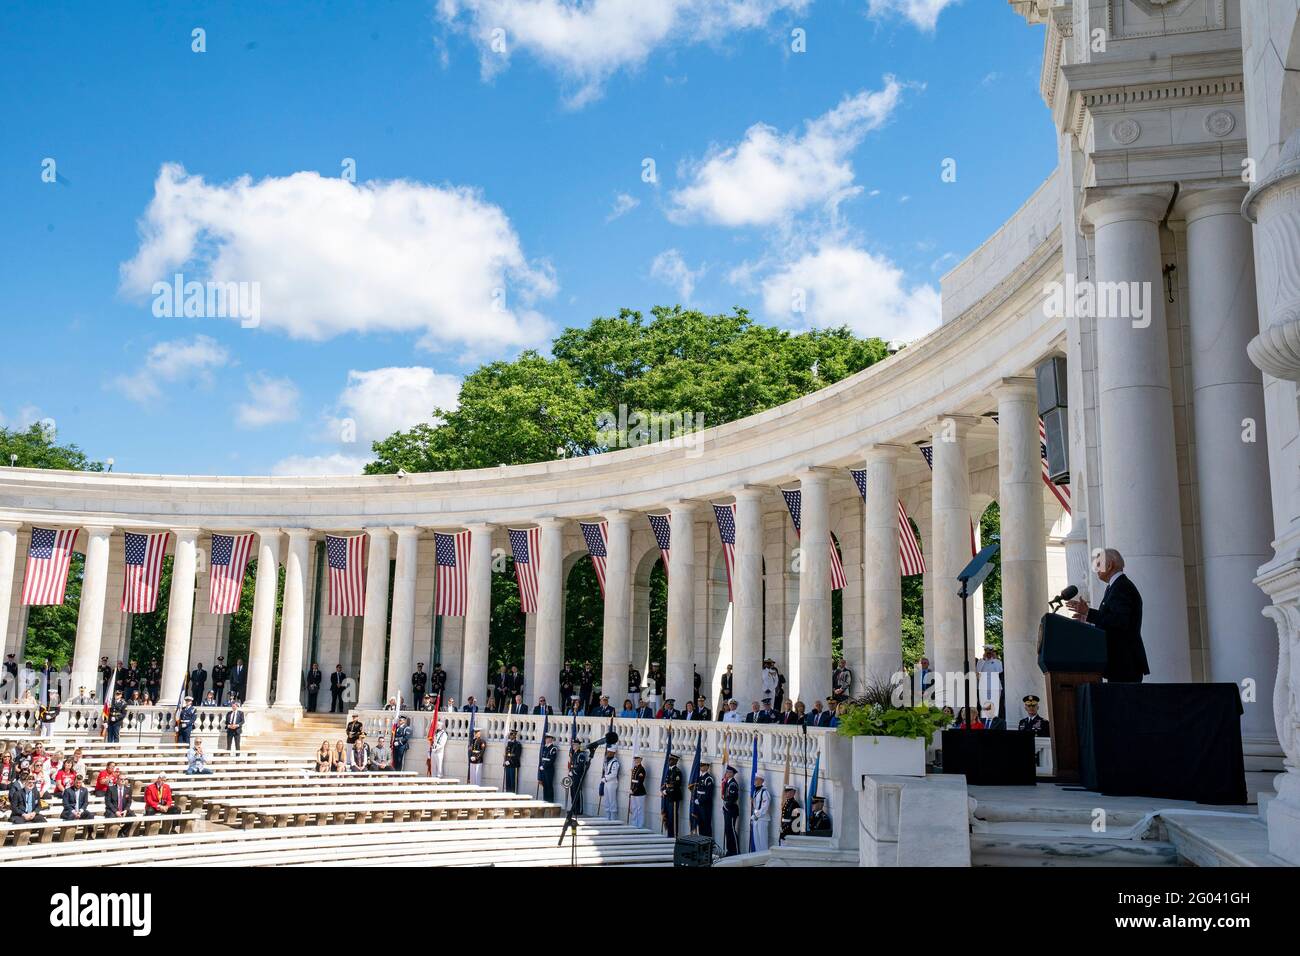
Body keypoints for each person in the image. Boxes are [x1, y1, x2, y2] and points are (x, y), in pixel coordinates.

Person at [1066, 548, 1151, 683]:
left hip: (1125, 663)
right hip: (1119, 663)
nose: (1096, 569)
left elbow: (1120, 621)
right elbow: (1111, 621)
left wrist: (1089, 613)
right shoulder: (1114, 586)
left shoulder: (1122, 587)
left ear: (1110, 565)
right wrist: (1088, 619)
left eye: (1098, 564)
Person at [690, 760, 715, 838]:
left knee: (706, 824)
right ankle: (701, 841)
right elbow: (697, 791)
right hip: (699, 804)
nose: (701, 767)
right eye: (701, 765)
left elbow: (708, 793)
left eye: (703, 765)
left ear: (707, 767)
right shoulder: (700, 777)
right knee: (700, 824)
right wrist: (696, 799)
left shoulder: (709, 778)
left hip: (705, 805)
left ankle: (707, 842)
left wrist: (700, 800)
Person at [660, 753, 683, 836]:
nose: (669, 761)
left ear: (676, 761)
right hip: (668, 797)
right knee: (668, 816)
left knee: (673, 817)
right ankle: (669, 834)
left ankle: (673, 834)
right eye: (669, 759)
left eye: (671, 759)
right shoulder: (669, 771)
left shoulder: (677, 772)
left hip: (674, 797)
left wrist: (667, 791)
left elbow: (676, 785)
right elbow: (666, 783)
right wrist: (663, 790)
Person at [721, 765, 741, 856]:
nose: (727, 773)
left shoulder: (733, 784)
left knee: (731, 830)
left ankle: (735, 851)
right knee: (727, 830)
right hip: (727, 809)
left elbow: (732, 798)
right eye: (727, 772)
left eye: (729, 772)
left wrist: (726, 805)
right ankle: (730, 850)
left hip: (731, 810)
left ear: (732, 774)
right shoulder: (727, 783)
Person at [750, 773, 772, 852]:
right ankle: (758, 858)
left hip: (762, 819)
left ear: (761, 781)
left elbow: (764, 807)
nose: (755, 781)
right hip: (756, 819)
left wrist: (756, 815)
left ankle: (764, 859)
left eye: (756, 779)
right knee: (757, 841)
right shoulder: (756, 791)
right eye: (755, 779)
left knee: (763, 841)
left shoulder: (764, 792)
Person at [567, 742, 589, 815]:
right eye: (573, 745)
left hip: (577, 776)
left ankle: (578, 810)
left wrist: (573, 772)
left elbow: (580, 767)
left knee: (577, 793)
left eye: (575, 745)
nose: (573, 746)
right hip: (572, 776)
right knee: (573, 793)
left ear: (579, 745)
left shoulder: (581, 755)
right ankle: (573, 809)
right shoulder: (574, 754)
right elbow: (572, 765)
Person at [600, 745, 620, 820]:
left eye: (609, 752)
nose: (607, 753)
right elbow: (605, 771)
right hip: (606, 782)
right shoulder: (607, 761)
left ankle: (613, 818)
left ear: (613, 753)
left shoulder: (615, 762)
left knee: (612, 800)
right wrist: (604, 778)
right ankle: (607, 817)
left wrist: (605, 778)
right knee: (606, 800)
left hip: (612, 783)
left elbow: (614, 774)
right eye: (607, 752)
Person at [538, 733, 558, 802]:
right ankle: (545, 800)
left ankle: (550, 801)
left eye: (548, 738)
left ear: (551, 739)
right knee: (545, 786)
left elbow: (551, 760)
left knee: (549, 786)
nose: (546, 739)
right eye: (546, 738)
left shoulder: (553, 748)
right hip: (543, 770)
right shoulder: (545, 748)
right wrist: (541, 766)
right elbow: (542, 759)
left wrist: (544, 766)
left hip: (549, 770)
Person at [628, 754, 647, 827]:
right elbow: (633, 781)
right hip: (634, 791)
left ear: (641, 759)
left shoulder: (641, 769)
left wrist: (634, 790)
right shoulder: (635, 768)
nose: (635, 760)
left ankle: (640, 825)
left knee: (640, 809)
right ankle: (634, 823)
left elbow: (640, 782)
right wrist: (631, 790)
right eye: (635, 759)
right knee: (634, 808)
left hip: (639, 792)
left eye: (637, 759)